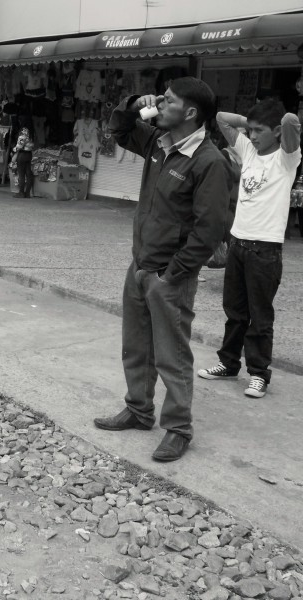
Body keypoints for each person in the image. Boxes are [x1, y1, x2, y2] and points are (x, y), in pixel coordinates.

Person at [93, 77, 231, 462]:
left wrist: (173, 273)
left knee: (172, 356)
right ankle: (138, 411)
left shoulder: (208, 162)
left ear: (189, 113)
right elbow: (119, 128)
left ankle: (178, 429)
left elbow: (210, 230)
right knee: (135, 347)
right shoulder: (158, 141)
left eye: (167, 101)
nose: (160, 105)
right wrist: (136, 101)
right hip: (139, 265)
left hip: (169, 277)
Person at [198, 101, 301, 398]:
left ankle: (258, 374)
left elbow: (292, 120)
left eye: (259, 130)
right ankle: (228, 363)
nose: (252, 135)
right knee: (235, 313)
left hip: (265, 251)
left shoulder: (287, 158)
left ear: (277, 132)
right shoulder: (248, 150)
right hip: (238, 245)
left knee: (260, 316)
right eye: (250, 130)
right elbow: (220, 118)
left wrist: (277, 125)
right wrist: (251, 119)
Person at [10, 128, 35, 198]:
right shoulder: (31, 135)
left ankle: (21, 192)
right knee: (28, 174)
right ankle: (27, 193)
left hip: (22, 155)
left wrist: (13, 149)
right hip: (29, 155)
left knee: (21, 174)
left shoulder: (22, 136)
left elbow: (18, 147)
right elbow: (32, 146)